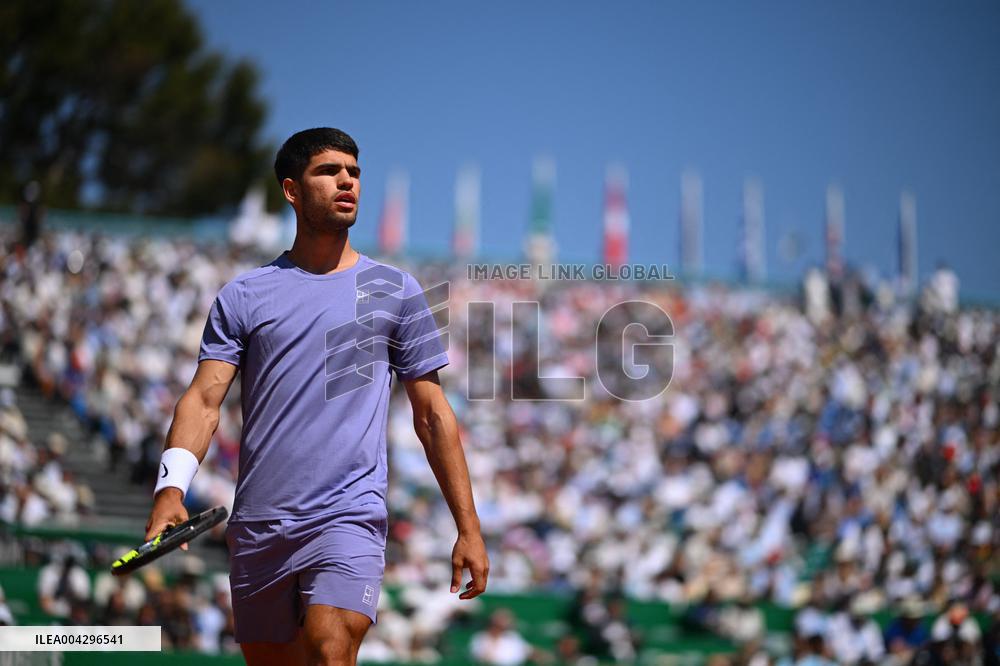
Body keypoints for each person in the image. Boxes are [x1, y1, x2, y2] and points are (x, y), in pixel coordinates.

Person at [143, 127, 489, 666]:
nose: (346, 181)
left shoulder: (397, 291)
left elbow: (433, 415)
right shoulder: (244, 295)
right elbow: (203, 402)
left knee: (333, 648)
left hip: (348, 514)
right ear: (291, 191)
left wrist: (467, 525)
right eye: (328, 172)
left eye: (353, 172)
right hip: (260, 523)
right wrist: (170, 491)